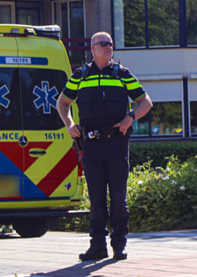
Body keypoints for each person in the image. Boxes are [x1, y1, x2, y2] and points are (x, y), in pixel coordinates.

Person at [57, 32, 152, 262]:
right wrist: (69, 123)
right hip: (90, 145)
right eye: (103, 44)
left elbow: (145, 102)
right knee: (97, 198)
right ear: (93, 48)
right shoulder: (80, 75)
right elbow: (63, 102)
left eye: (110, 44)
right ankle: (97, 246)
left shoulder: (122, 74)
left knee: (118, 197)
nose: (108, 47)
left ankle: (119, 245)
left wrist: (130, 117)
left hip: (117, 144)